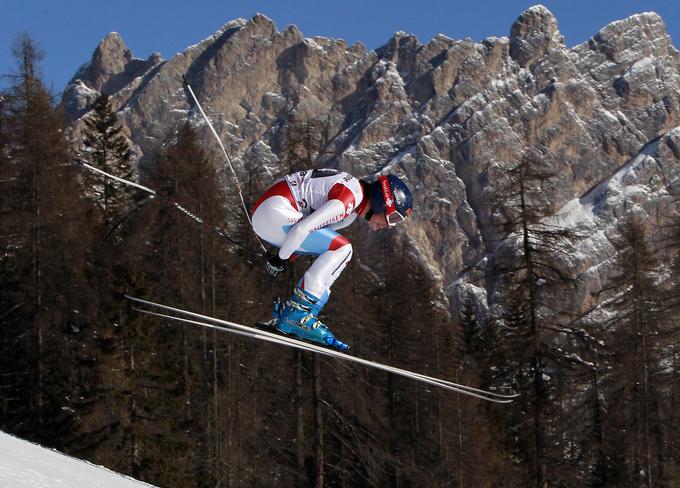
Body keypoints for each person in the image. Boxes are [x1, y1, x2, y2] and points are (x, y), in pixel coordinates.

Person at [251, 168, 413, 350]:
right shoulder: (349, 199)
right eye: (393, 217)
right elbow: (301, 230)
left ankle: (302, 316)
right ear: (381, 202)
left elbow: (309, 235)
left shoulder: (351, 209)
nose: (390, 226)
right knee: (342, 248)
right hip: (273, 213)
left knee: (338, 253)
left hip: (272, 214)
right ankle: (297, 314)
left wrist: (287, 256)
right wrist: (280, 259)